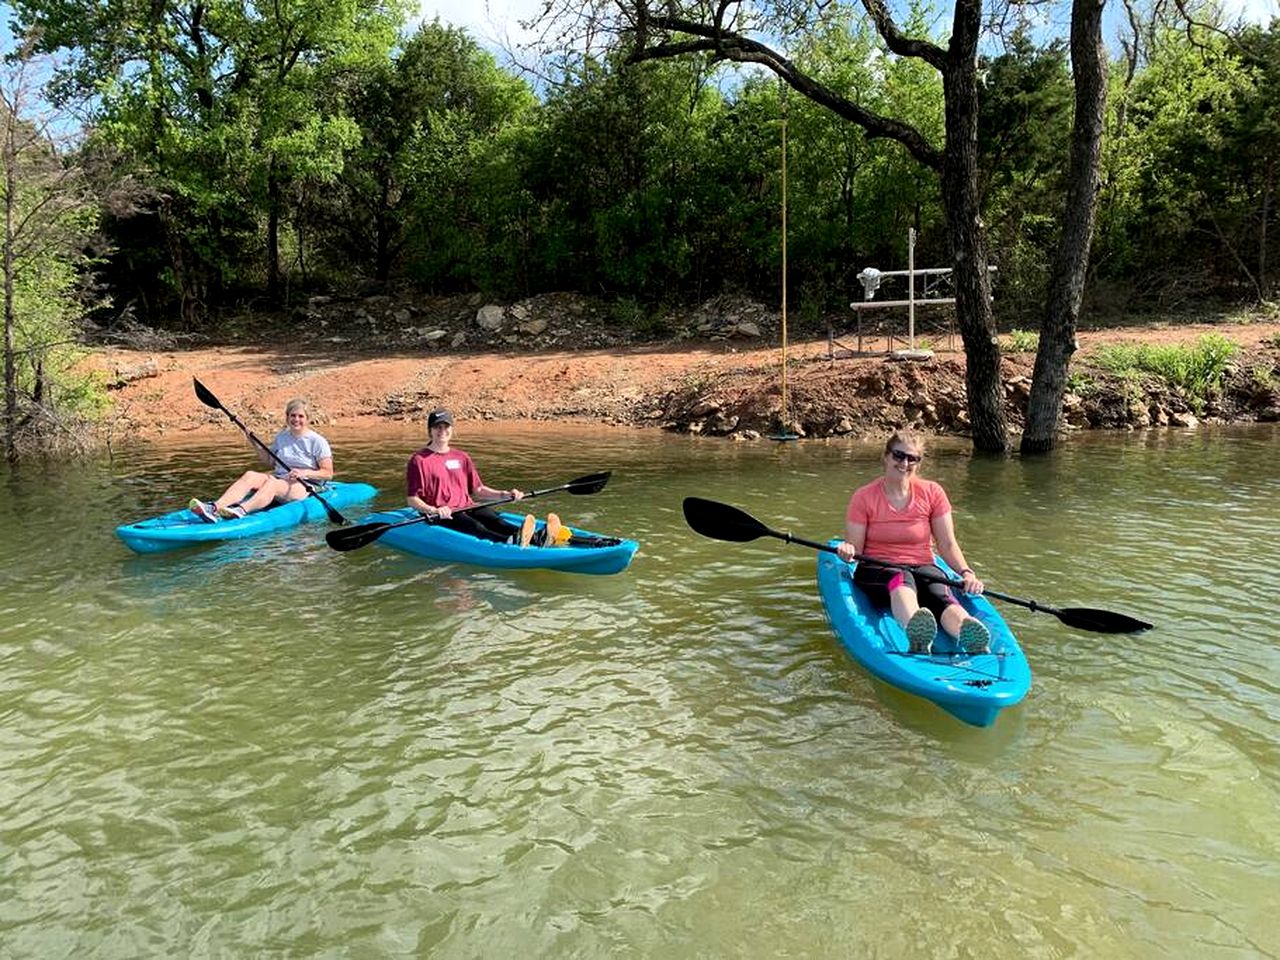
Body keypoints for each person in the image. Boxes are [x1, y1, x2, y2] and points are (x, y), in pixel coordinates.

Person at [835, 429, 991, 655]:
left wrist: (967, 572)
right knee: (900, 576)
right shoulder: (864, 496)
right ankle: (915, 631)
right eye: (899, 455)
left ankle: (966, 632)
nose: (904, 463)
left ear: (919, 462)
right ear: (886, 456)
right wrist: (848, 550)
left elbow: (947, 544)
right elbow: (855, 549)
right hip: (877, 568)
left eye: (912, 458)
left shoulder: (933, 492)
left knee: (940, 592)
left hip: (923, 564)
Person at [406, 408, 564, 547]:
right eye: (437, 427)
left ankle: (537, 538)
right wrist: (434, 510)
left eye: (446, 426)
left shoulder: (461, 457)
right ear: (430, 430)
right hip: (443, 514)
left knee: (497, 521)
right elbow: (412, 500)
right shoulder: (419, 460)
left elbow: (478, 490)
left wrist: (505, 494)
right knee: (477, 527)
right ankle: (512, 542)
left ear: (452, 429)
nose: (442, 431)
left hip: (467, 506)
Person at [188, 398, 333, 522]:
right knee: (250, 475)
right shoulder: (282, 437)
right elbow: (269, 462)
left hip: (305, 485)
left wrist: (304, 473)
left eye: (300, 416)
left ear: (307, 418)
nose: (296, 419)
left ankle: (241, 511)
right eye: (292, 415)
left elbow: (328, 473)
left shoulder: (317, 441)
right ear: (287, 417)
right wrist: (253, 442)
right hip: (282, 478)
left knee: (272, 484)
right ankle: (213, 507)